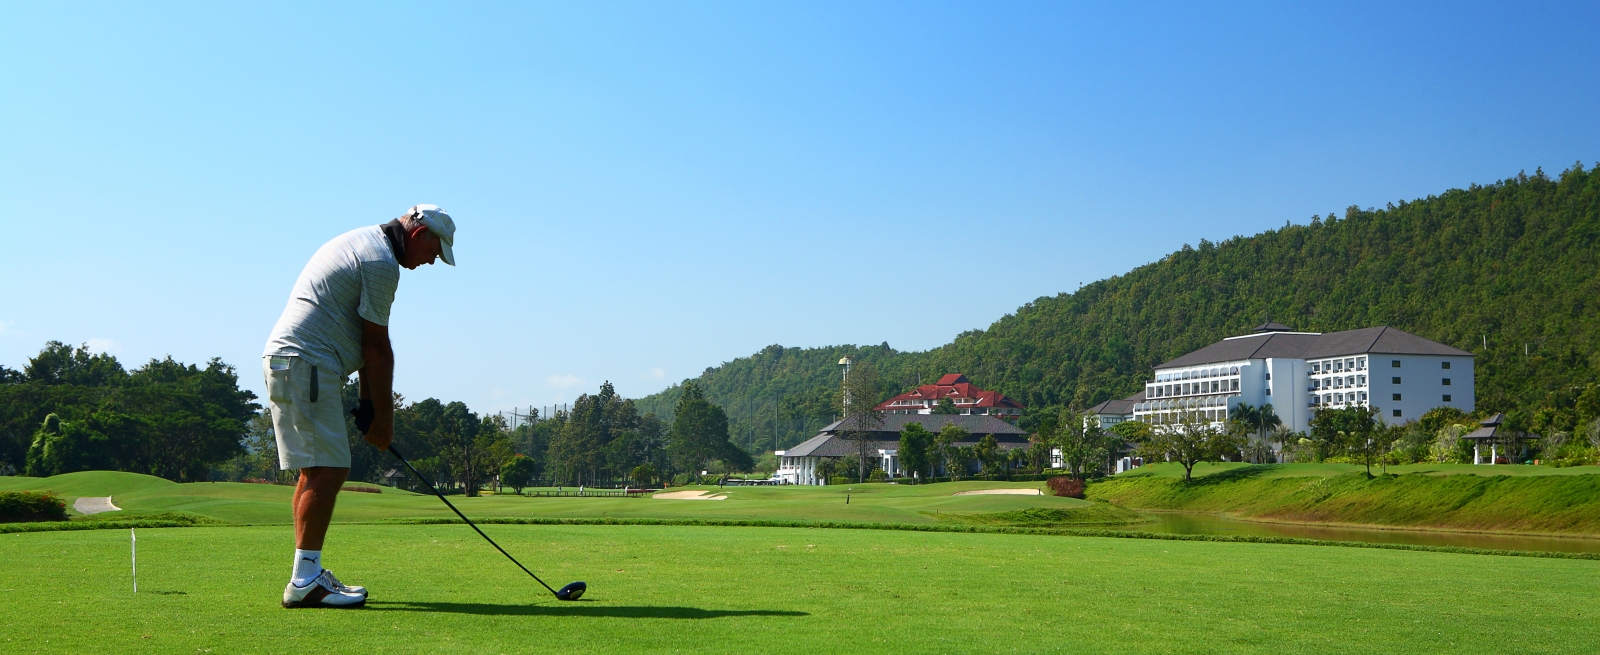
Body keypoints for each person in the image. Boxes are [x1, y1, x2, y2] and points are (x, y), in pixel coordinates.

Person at [263, 204, 456, 608]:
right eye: (434, 253)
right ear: (419, 236)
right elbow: (376, 346)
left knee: (315, 469)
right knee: (330, 468)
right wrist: (384, 419)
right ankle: (305, 581)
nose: (432, 262)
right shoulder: (382, 262)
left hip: (294, 361)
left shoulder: (366, 243)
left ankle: (306, 574)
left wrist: (368, 404)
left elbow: (367, 345)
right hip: (308, 362)